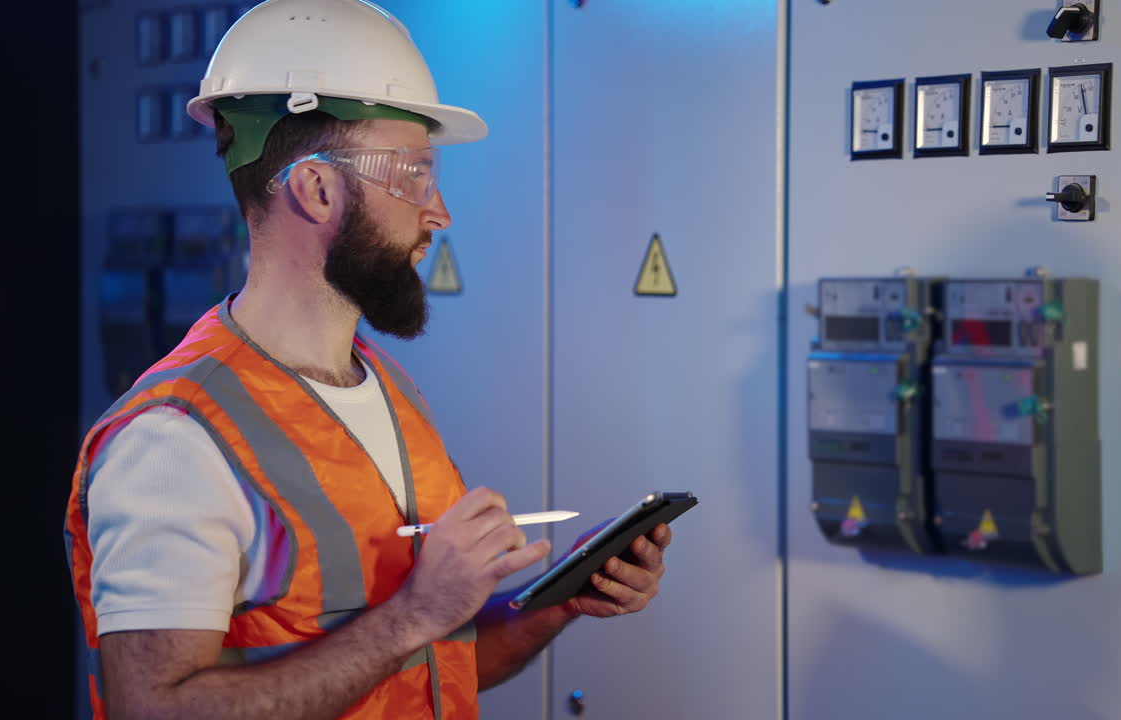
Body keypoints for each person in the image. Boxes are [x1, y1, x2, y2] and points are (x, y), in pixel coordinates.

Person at [63, 1, 674, 718]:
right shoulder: (173, 442)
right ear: (317, 189)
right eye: (414, 174)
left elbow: (430, 665)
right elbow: (154, 710)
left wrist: (562, 603)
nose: (439, 210)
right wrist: (414, 613)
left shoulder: (388, 389)